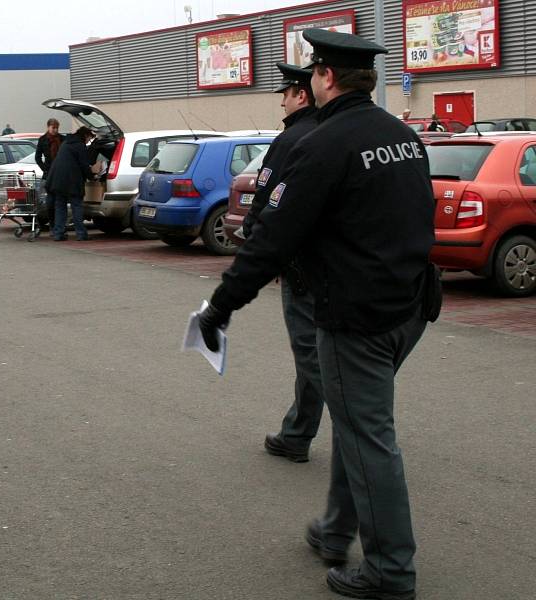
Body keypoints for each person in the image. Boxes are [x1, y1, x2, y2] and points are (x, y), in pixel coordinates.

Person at [197, 29, 440, 599]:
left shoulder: (321, 147)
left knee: (369, 437)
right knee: (357, 426)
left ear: (325, 78)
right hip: (409, 307)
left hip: (357, 317)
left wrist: (220, 307)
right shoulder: (404, 136)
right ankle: (336, 531)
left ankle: (390, 572)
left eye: (309, 76)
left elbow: (269, 242)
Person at [241, 62, 324, 463]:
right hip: (339, 267)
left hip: (302, 267)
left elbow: (266, 198)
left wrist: (257, 247)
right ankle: (298, 433)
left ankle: (357, 429)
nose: (282, 104)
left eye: (286, 95)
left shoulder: (291, 139)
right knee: (324, 351)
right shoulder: (332, 132)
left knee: (311, 353)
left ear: (301, 95)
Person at [45, 126, 96, 241]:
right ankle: (81, 234)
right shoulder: (80, 146)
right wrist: (91, 176)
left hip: (57, 179)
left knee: (60, 206)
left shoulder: (66, 143)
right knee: (77, 206)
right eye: (89, 138)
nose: (88, 141)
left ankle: (58, 233)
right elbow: (84, 165)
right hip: (72, 180)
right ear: (85, 135)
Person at [35, 118, 64, 229]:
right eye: (53, 128)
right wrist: (45, 169)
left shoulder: (61, 139)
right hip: (49, 172)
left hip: (60, 172)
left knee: (60, 200)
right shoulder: (43, 140)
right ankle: (53, 224)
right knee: (50, 201)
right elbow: (37, 157)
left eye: (57, 128)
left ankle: (59, 225)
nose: (55, 130)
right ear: (48, 127)